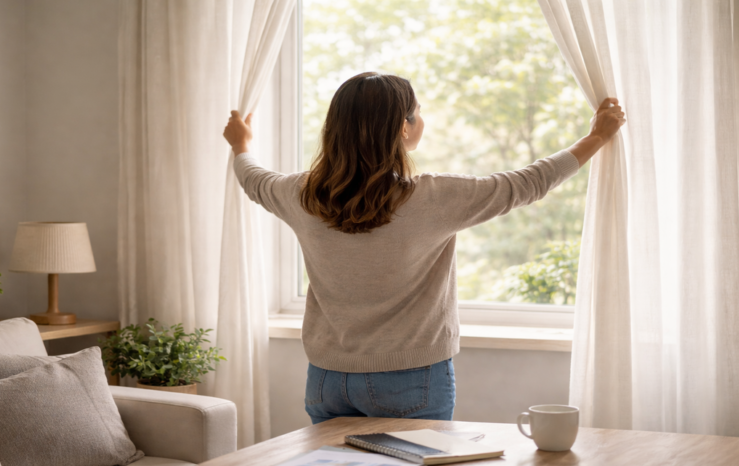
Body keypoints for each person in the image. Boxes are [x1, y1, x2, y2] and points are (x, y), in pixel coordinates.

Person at [223, 72, 625, 424]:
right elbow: (527, 183)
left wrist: (240, 144)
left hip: (327, 380)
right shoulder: (434, 198)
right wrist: (596, 137)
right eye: (418, 111)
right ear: (403, 127)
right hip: (410, 378)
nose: (422, 119)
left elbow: (252, 178)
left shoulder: (299, 194)